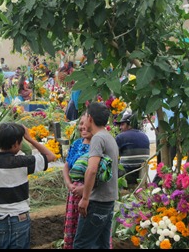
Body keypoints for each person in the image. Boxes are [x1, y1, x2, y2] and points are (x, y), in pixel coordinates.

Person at [0, 122, 56, 249]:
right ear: (16, 144)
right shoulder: (22, 162)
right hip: (20, 221)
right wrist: (30, 138)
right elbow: (51, 156)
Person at [73, 102, 119, 249]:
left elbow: (92, 169)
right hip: (108, 199)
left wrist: (85, 198)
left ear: (90, 119)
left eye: (86, 115)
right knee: (102, 244)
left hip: (97, 200)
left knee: (81, 244)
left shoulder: (98, 138)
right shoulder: (109, 136)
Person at [62, 114, 92, 249]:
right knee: (73, 228)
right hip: (73, 192)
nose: (82, 127)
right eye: (80, 124)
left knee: (87, 227)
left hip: (90, 192)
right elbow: (67, 165)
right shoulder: (77, 144)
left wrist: (85, 189)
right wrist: (69, 184)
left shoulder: (98, 144)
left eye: (85, 124)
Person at [115, 111, 150, 184]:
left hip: (126, 175)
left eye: (122, 124)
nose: (120, 127)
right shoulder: (145, 136)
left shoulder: (121, 137)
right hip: (142, 174)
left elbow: (113, 155)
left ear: (130, 124)